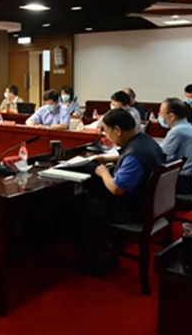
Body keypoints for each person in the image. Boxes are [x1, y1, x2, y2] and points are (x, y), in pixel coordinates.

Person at [81, 109, 166, 272]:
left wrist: (103, 172)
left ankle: (96, 258)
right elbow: (131, 157)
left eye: (107, 131)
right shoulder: (146, 141)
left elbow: (117, 189)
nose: (107, 136)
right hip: (151, 203)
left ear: (117, 130)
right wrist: (110, 158)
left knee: (84, 204)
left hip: (134, 210)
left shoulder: (134, 155)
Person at [158, 98, 192, 194]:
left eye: (161, 113)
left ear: (171, 116)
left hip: (185, 181)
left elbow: (159, 154)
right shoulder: (189, 127)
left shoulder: (177, 131)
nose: (160, 116)